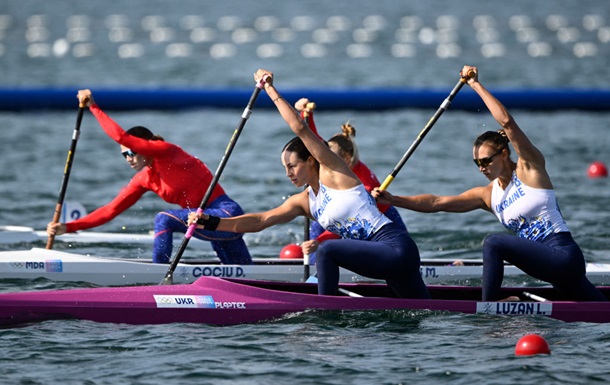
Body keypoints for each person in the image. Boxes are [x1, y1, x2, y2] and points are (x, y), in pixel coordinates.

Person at [189, 69, 430, 299]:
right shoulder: (303, 202)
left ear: (311, 161)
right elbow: (260, 221)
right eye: (285, 168)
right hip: (384, 261)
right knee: (425, 312)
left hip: (396, 247)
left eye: (292, 166)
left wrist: (269, 88)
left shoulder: (333, 171)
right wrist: (211, 222)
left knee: (326, 250)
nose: (288, 174)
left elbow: (299, 128)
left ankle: (324, 310)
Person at [373, 65, 606, 302]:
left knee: (494, 242)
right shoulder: (489, 195)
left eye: (486, 161)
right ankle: (507, 303)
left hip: (563, 255)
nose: (482, 168)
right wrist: (393, 199)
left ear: (504, 154)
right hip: (551, 270)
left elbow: (507, 122)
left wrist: (474, 84)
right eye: (477, 163)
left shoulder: (530, 168)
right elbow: (437, 202)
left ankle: (489, 306)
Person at [47, 89, 252, 265]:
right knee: (244, 276)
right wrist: (68, 227)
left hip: (226, 214)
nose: (128, 158)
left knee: (163, 219)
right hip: (203, 222)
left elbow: (121, 137)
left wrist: (93, 106)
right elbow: (110, 210)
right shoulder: (144, 178)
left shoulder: (167, 152)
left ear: (144, 147)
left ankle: (159, 275)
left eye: (131, 152)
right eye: (123, 155)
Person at [293, 99, 407, 264]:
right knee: (318, 226)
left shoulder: (363, 182)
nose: (323, 161)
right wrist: (306, 114)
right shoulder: (337, 165)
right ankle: (314, 268)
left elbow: (349, 221)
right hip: (348, 218)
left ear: (345, 157)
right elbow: (313, 140)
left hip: (381, 222)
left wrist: (319, 241)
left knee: (322, 234)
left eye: (328, 156)